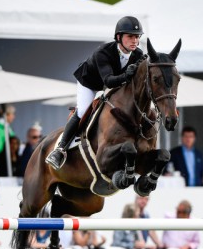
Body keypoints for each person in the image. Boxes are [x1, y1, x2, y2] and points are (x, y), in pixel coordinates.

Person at [46, 16, 145, 170]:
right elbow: (108, 81)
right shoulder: (103, 52)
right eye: (130, 36)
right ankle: (60, 149)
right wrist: (126, 75)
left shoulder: (138, 55)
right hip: (90, 83)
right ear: (119, 37)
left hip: (114, 84)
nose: (135, 41)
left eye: (137, 37)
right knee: (84, 110)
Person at [0, 104, 17, 176]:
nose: (14, 117)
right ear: (7, 114)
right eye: (13, 114)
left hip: (7, 161)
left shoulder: (7, 127)